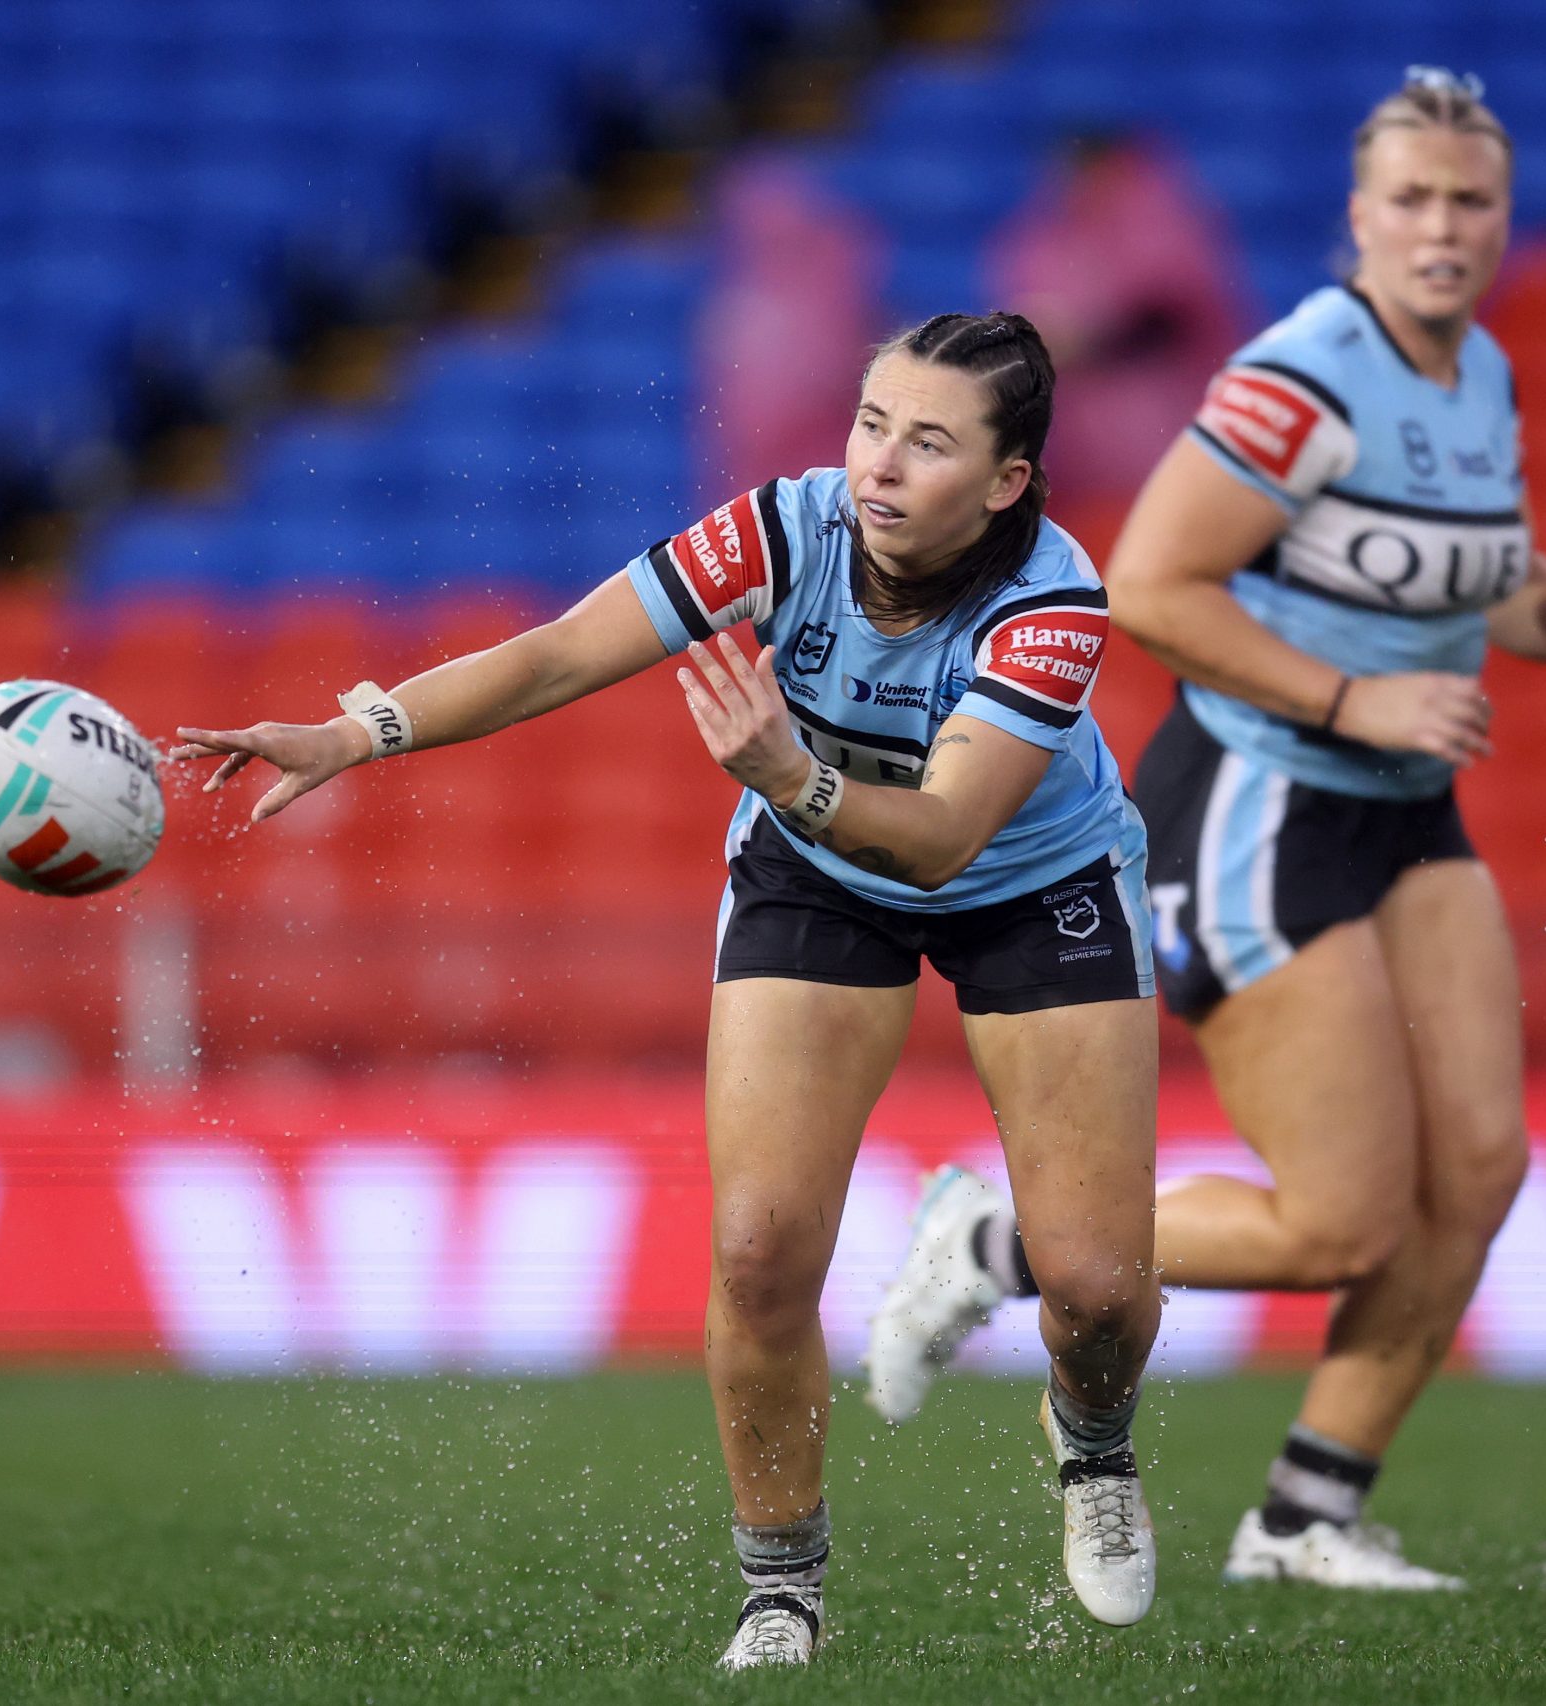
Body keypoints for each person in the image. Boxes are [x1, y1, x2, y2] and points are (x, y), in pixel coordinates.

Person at [172, 313, 1170, 1667]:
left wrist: (786, 775)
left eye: (928, 443)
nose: (877, 464)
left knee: (1099, 1289)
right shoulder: (784, 527)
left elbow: (943, 833)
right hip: (816, 873)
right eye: (871, 420)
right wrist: (358, 731)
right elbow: (561, 652)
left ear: (1006, 482)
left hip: (1027, 879)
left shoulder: (1055, 602)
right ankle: (782, 1587)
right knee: (759, 1248)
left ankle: (1095, 1445)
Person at [862, 70, 1546, 1591]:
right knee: (1338, 1220)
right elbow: (1154, 582)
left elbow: (1480, 571)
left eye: (1470, 202)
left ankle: (1308, 1512)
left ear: (1502, 218)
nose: (1442, 228)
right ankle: (995, 1244)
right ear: (1361, 217)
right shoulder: (1302, 375)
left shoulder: (1479, 376)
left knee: (1480, 1168)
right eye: (1412, 200)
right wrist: (1354, 698)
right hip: (1264, 795)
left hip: (1403, 808)